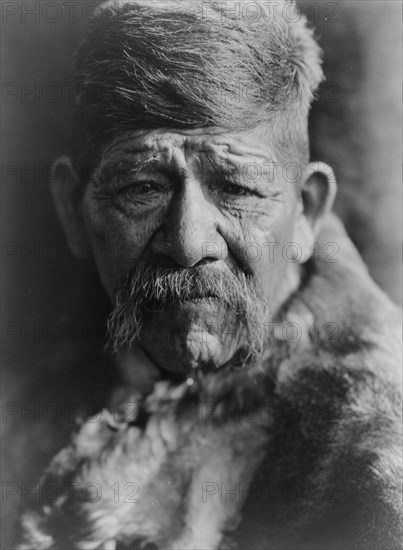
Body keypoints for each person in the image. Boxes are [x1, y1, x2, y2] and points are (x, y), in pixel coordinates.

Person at [17, 1, 402, 549]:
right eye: (142, 187)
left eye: (238, 189)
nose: (190, 242)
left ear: (308, 214)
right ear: (72, 210)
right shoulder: (27, 402)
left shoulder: (380, 467)